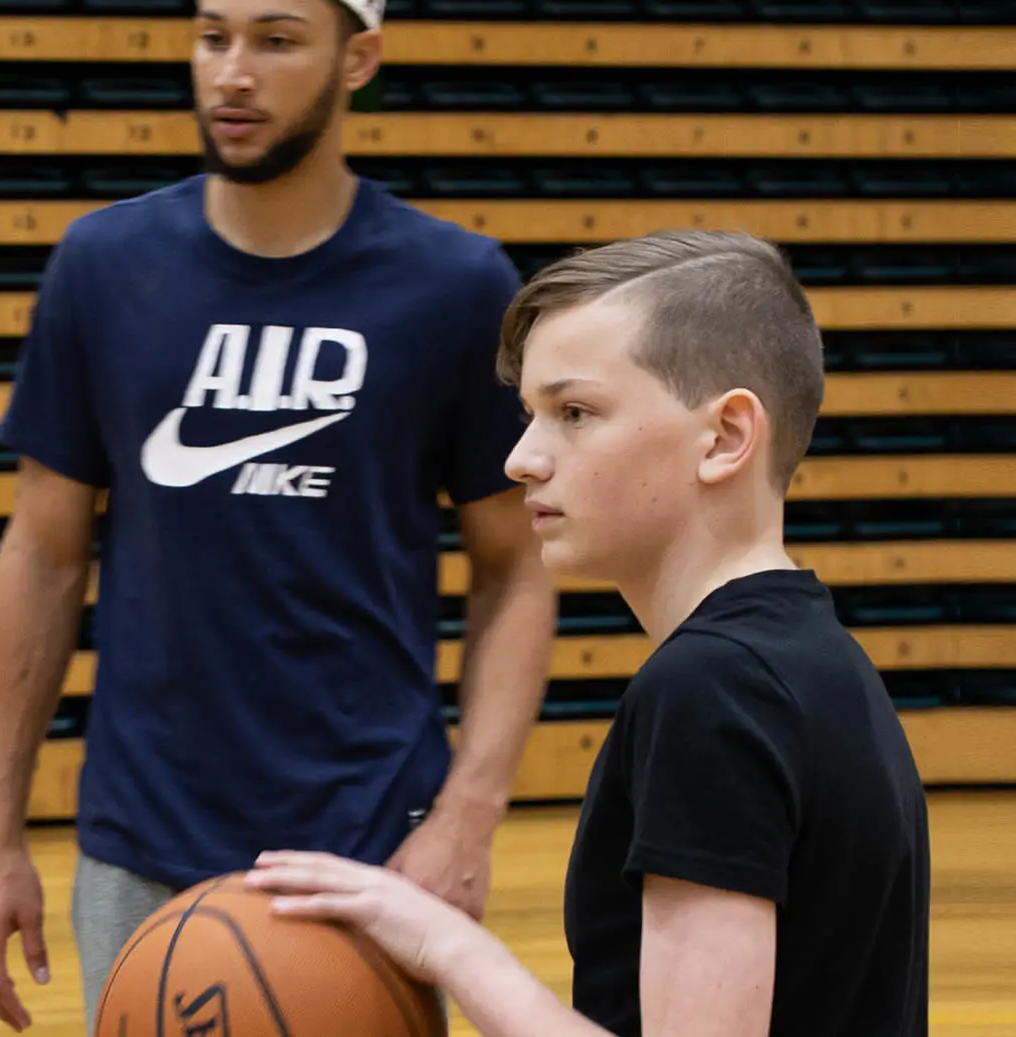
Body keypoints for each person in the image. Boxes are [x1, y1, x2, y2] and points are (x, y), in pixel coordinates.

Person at [0, 0, 567, 1033]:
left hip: (370, 835)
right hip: (142, 836)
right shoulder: (103, 265)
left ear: (358, 59)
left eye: (277, 40)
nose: (233, 73)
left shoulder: (455, 285)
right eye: (212, 35)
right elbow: (40, 558)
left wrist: (466, 818)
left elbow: (514, 569)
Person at [247, 231, 933, 1037]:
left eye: (574, 412)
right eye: (530, 414)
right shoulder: (820, 661)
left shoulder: (712, 688)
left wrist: (451, 946)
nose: (520, 459)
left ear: (725, 437)